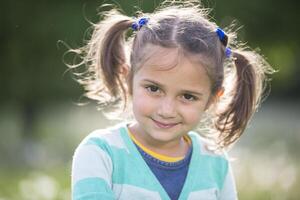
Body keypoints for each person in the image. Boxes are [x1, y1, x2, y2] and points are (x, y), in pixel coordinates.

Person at [69, 1, 274, 199]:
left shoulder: (216, 164)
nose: (167, 110)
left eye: (187, 96)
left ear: (212, 99)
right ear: (128, 78)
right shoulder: (100, 154)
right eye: (154, 89)